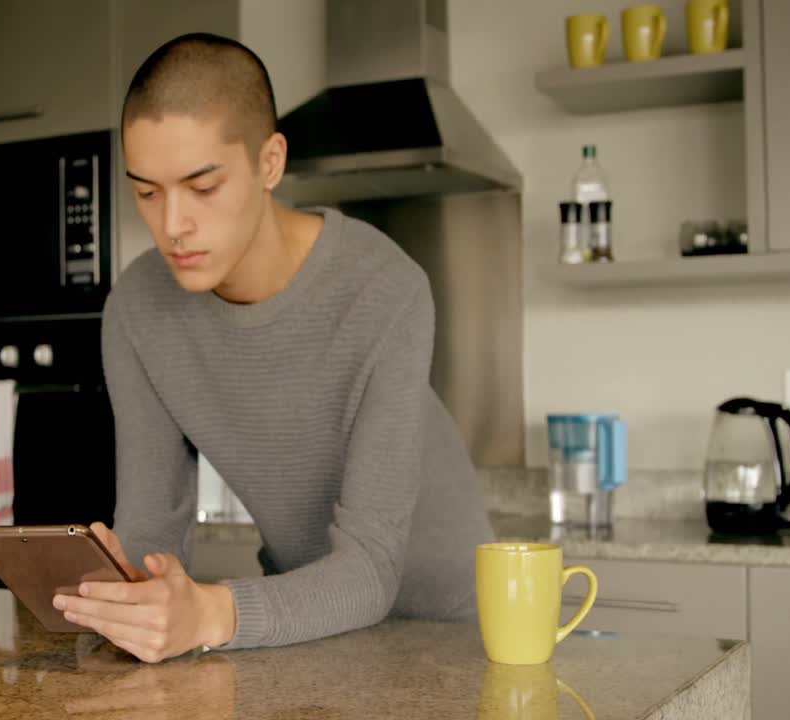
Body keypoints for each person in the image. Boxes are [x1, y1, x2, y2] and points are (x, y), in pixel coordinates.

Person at [52, 32, 494, 663]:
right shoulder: (137, 310)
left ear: (269, 162)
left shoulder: (385, 290)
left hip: (448, 636)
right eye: (146, 191)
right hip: (300, 628)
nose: (172, 225)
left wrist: (210, 611)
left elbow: (371, 570)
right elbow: (152, 533)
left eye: (202, 187)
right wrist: (128, 594)